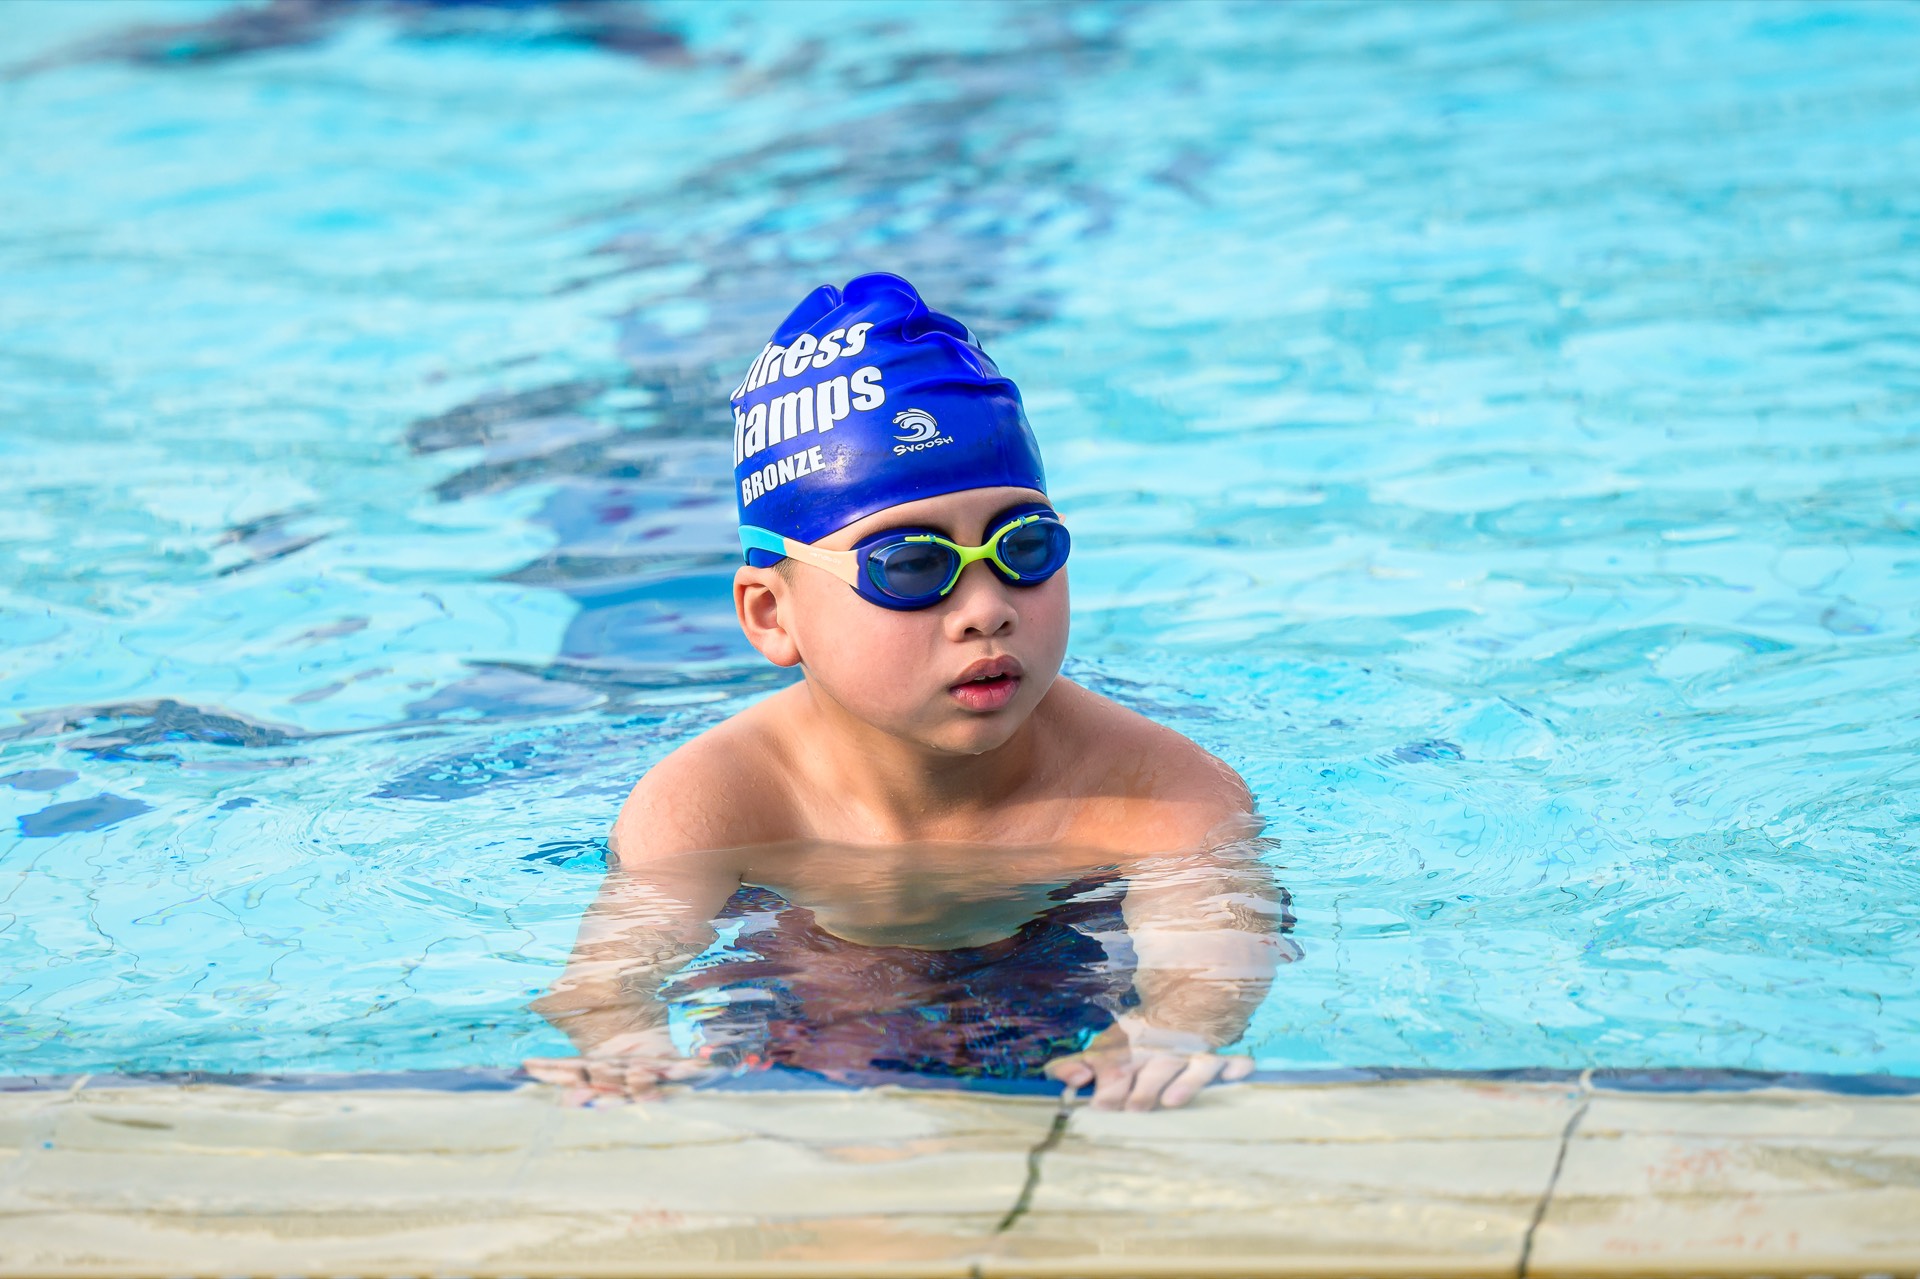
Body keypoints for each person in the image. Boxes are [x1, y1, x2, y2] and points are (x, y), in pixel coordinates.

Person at [524, 273, 1293, 1111]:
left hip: (1065, 978)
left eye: (1024, 546)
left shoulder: (1155, 789)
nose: (987, 609)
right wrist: (624, 1040)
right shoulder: (714, 806)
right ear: (772, 613)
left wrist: (1176, 1024)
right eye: (913, 566)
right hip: (803, 990)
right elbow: (603, 984)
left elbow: (1213, 959)